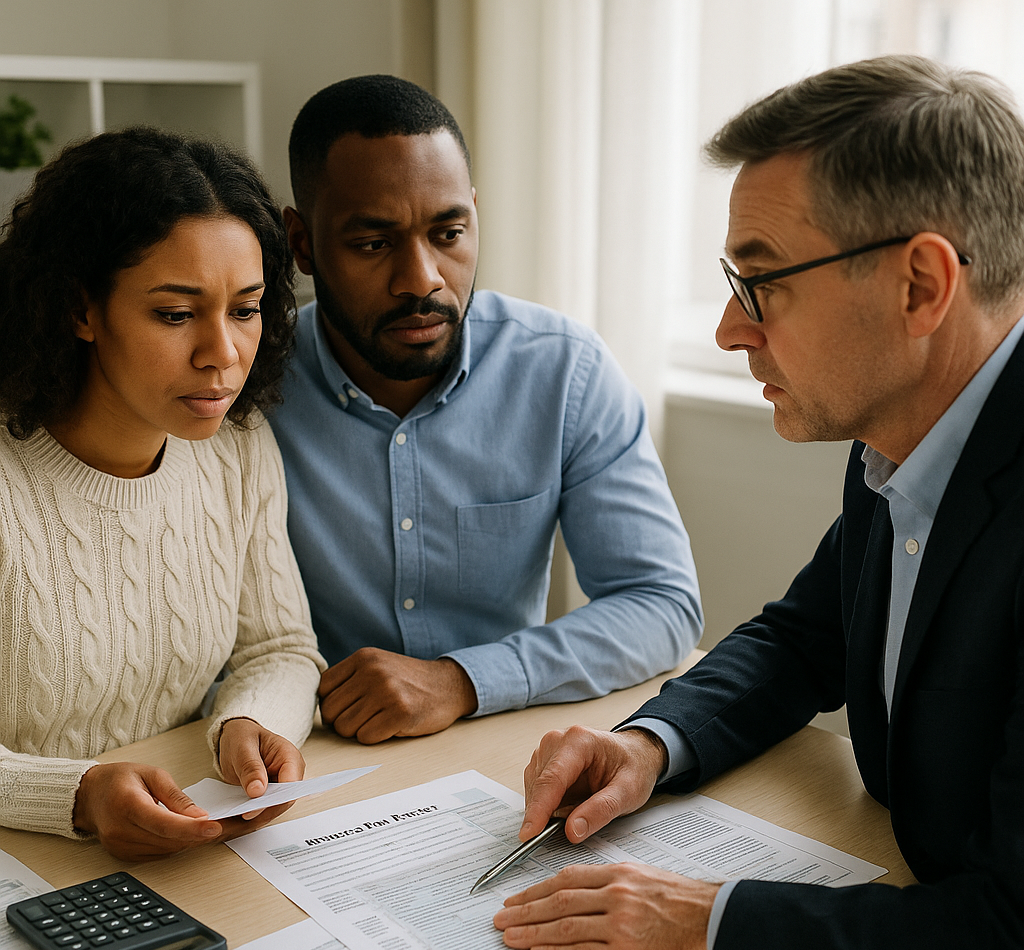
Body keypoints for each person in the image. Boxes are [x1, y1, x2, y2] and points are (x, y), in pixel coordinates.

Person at [493, 55, 1024, 950]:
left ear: (920, 286)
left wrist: (714, 926)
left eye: (764, 281)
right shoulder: (909, 428)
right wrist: (653, 744)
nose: (734, 330)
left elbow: (1015, 944)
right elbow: (805, 637)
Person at [271, 75, 703, 744]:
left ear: (475, 213)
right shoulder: (248, 392)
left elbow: (662, 605)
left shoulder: (564, 370)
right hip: (305, 756)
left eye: (449, 232)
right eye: (373, 243)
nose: (422, 279)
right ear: (301, 243)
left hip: (499, 745)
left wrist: (459, 680)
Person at [0, 126, 326, 861]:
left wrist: (250, 724)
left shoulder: (238, 448)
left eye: (244, 309)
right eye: (176, 315)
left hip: (179, 843)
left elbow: (280, 648)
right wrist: (75, 795)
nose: (223, 354)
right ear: (81, 309)